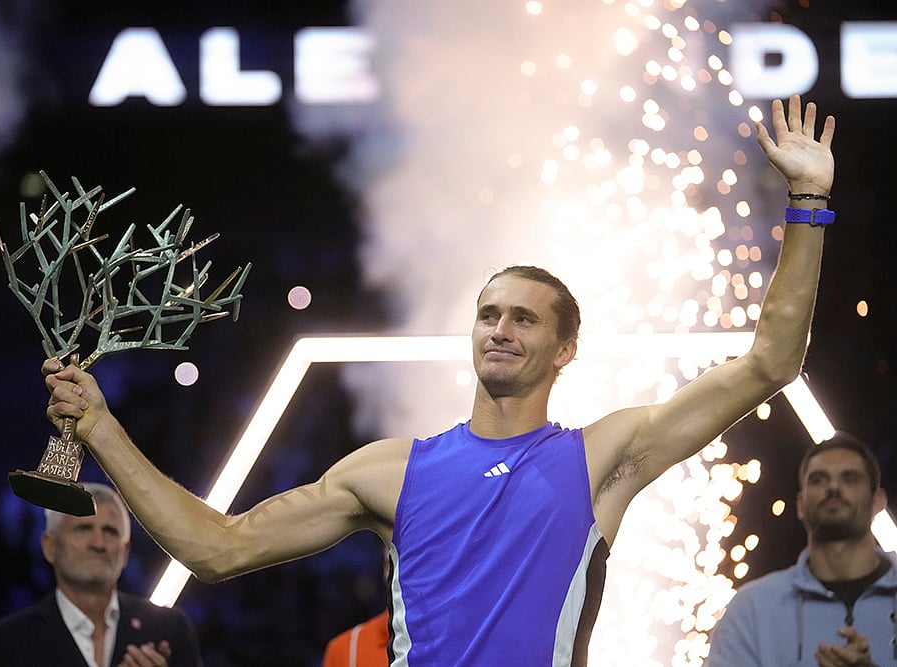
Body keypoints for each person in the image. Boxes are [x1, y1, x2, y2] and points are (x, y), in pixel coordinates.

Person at [43, 94, 836, 665]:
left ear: (566, 349)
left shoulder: (605, 456)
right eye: (489, 312)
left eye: (525, 318)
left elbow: (771, 362)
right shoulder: (389, 470)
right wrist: (104, 429)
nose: (500, 327)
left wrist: (806, 200)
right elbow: (214, 549)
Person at [707, 433, 897, 666]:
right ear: (800, 505)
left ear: (878, 501)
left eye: (850, 479)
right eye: (818, 480)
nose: (834, 487)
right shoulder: (752, 608)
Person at [0, 482, 202, 667]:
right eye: (83, 529)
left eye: (110, 532)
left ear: (125, 552)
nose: (98, 543)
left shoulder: (170, 630)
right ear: (50, 546)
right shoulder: (4, 643)